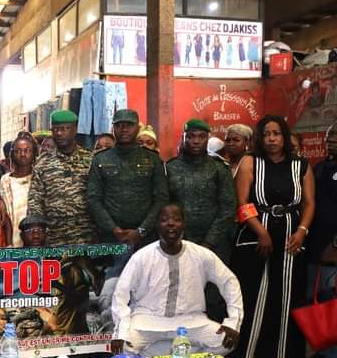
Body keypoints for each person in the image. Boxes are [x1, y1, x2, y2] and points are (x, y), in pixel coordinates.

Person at [230, 115, 315, 358]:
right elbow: (242, 203)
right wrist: (261, 232)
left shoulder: (301, 165)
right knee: (256, 294)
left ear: (284, 136)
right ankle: (250, 357)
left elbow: (309, 203)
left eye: (276, 133)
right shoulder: (250, 162)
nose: (271, 139)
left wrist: (301, 231)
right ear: (259, 138)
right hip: (258, 234)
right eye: (266, 134)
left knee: (287, 295)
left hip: (291, 235)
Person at [111, 204, 242, 357]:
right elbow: (120, 293)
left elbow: (229, 281)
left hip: (191, 321)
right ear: (157, 225)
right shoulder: (142, 256)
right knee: (124, 348)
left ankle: (156, 357)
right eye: (164, 220)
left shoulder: (200, 254)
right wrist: (120, 332)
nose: (171, 223)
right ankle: (178, 355)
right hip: (147, 322)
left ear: (184, 224)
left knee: (225, 342)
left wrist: (233, 322)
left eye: (176, 219)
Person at [88, 109, 168, 246]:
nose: (124, 129)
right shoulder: (100, 159)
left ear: (137, 128)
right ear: (113, 129)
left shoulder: (152, 158)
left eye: (129, 125)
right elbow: (93, 198)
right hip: (110, 236)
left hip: (146, 236)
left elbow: (161, 198)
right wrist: (113, 229)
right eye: (119, 125)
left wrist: (141, 231)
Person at [166, 119, 236, 261]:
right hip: (179, 241)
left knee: (214, 282)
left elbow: (228, 207)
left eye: (201, 136)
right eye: (191, 136)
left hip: (215, 244)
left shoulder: (219, 168)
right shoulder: (170, 168)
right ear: (183, 138)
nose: (196, 141)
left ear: (207, 139)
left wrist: (209, 241)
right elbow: (164, 204)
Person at [301, 124, 337, 358]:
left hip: (333, 250)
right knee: (317, 304)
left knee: (332, 305)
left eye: (336, 136)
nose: (332, 140)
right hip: (314, 247)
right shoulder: (322, 166)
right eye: (329, 136)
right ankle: (322, 354)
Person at [27, 109, 94, 246]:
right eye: (55, 129)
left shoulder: (90, 159)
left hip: (86, 234)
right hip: (54, 237)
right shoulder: (43, 162)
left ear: (75, 130)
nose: (59, 133)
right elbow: (35, 200)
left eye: (65, 129)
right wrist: (37, 233)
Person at [0, 132, 37, 247]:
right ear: (12, 154)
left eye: (27, 150)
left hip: (38, 238)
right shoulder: (6, 180)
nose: (23, 154)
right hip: (15, 236)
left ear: (34, 153)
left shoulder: (40, 177)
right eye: (18, 151)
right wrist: (9, 243)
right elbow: (6, 216)